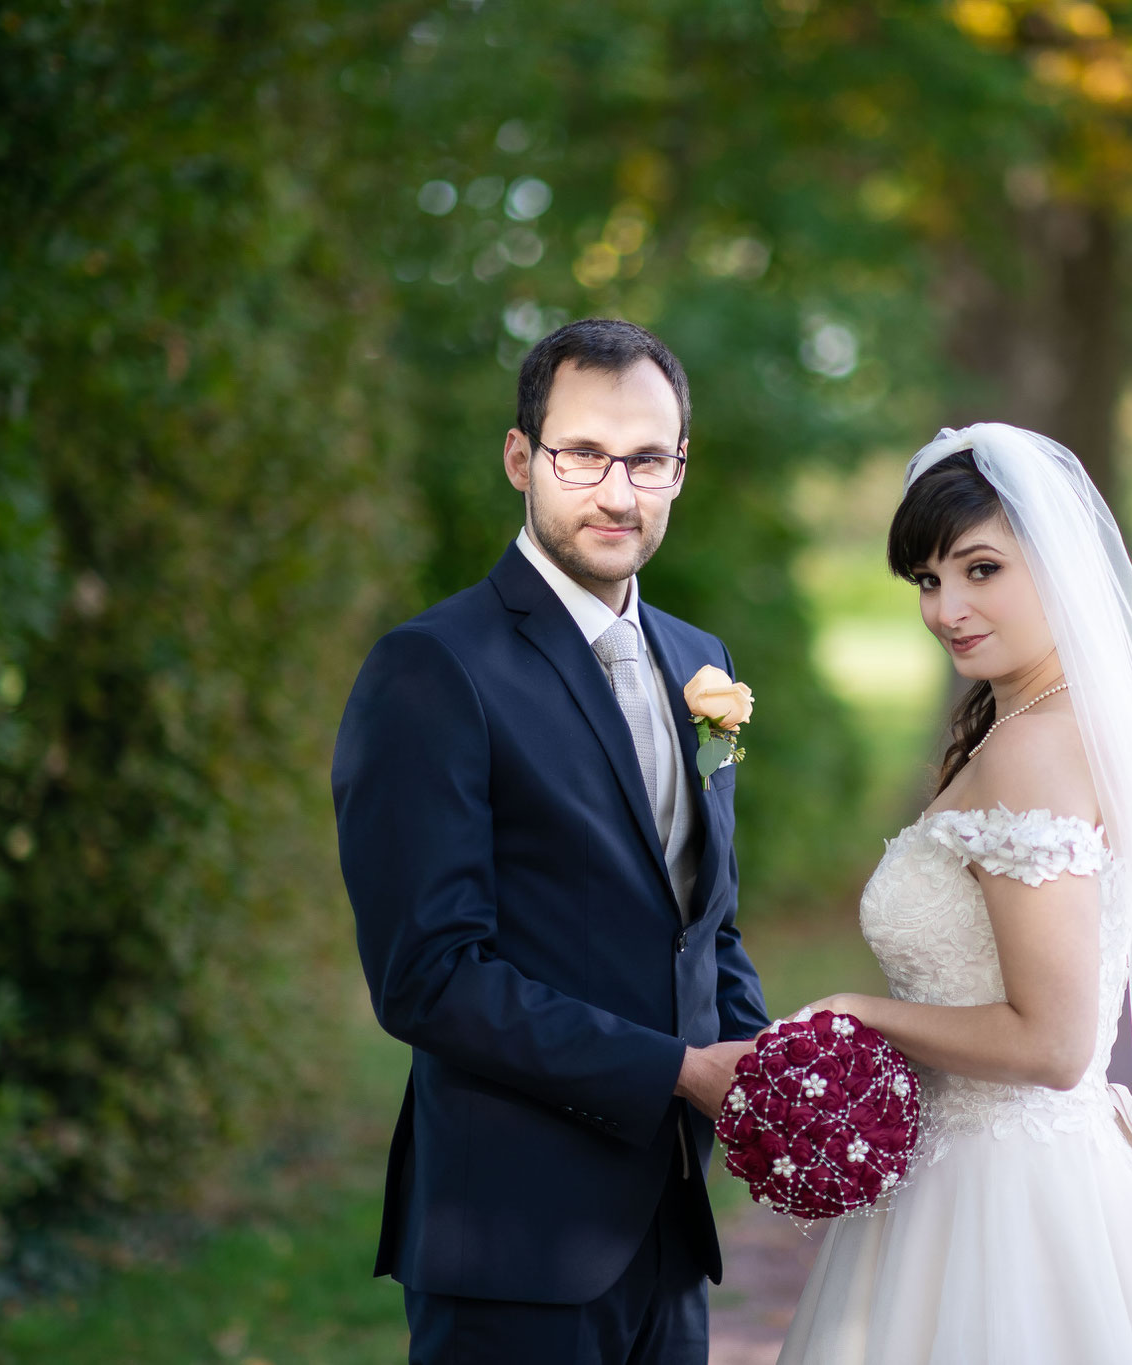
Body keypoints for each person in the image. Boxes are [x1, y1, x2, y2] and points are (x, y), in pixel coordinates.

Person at [777, 425, 1132, 1364]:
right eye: (929, 581)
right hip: (991, 1176)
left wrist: (858, 1012)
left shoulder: (1033, 746)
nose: (948, 607)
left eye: (982, 570)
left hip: (1006, 1198)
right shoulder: (1045, 724)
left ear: (1060, 565)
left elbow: (1055, 1042)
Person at [331, 318, 766, 1364]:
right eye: (583, 454)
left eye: (647, 460)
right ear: (521, 457)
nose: (618, 493)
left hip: (667, 1231)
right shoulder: (433, 670)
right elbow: (428, 978)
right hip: (510, 1243)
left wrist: (772, 1073)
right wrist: (676, 1071)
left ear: (679, 467)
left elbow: (704, 920)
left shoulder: (696, 658)